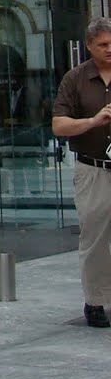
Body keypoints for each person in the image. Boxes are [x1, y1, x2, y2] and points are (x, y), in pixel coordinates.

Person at [50, 17, 111, 327]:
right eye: (103, 45)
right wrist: (92, 121)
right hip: (93, 168)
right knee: (95, 236)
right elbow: (58, 126)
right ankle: (96, 300)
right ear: (89, 46)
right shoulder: (75, 79)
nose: (109, 50)